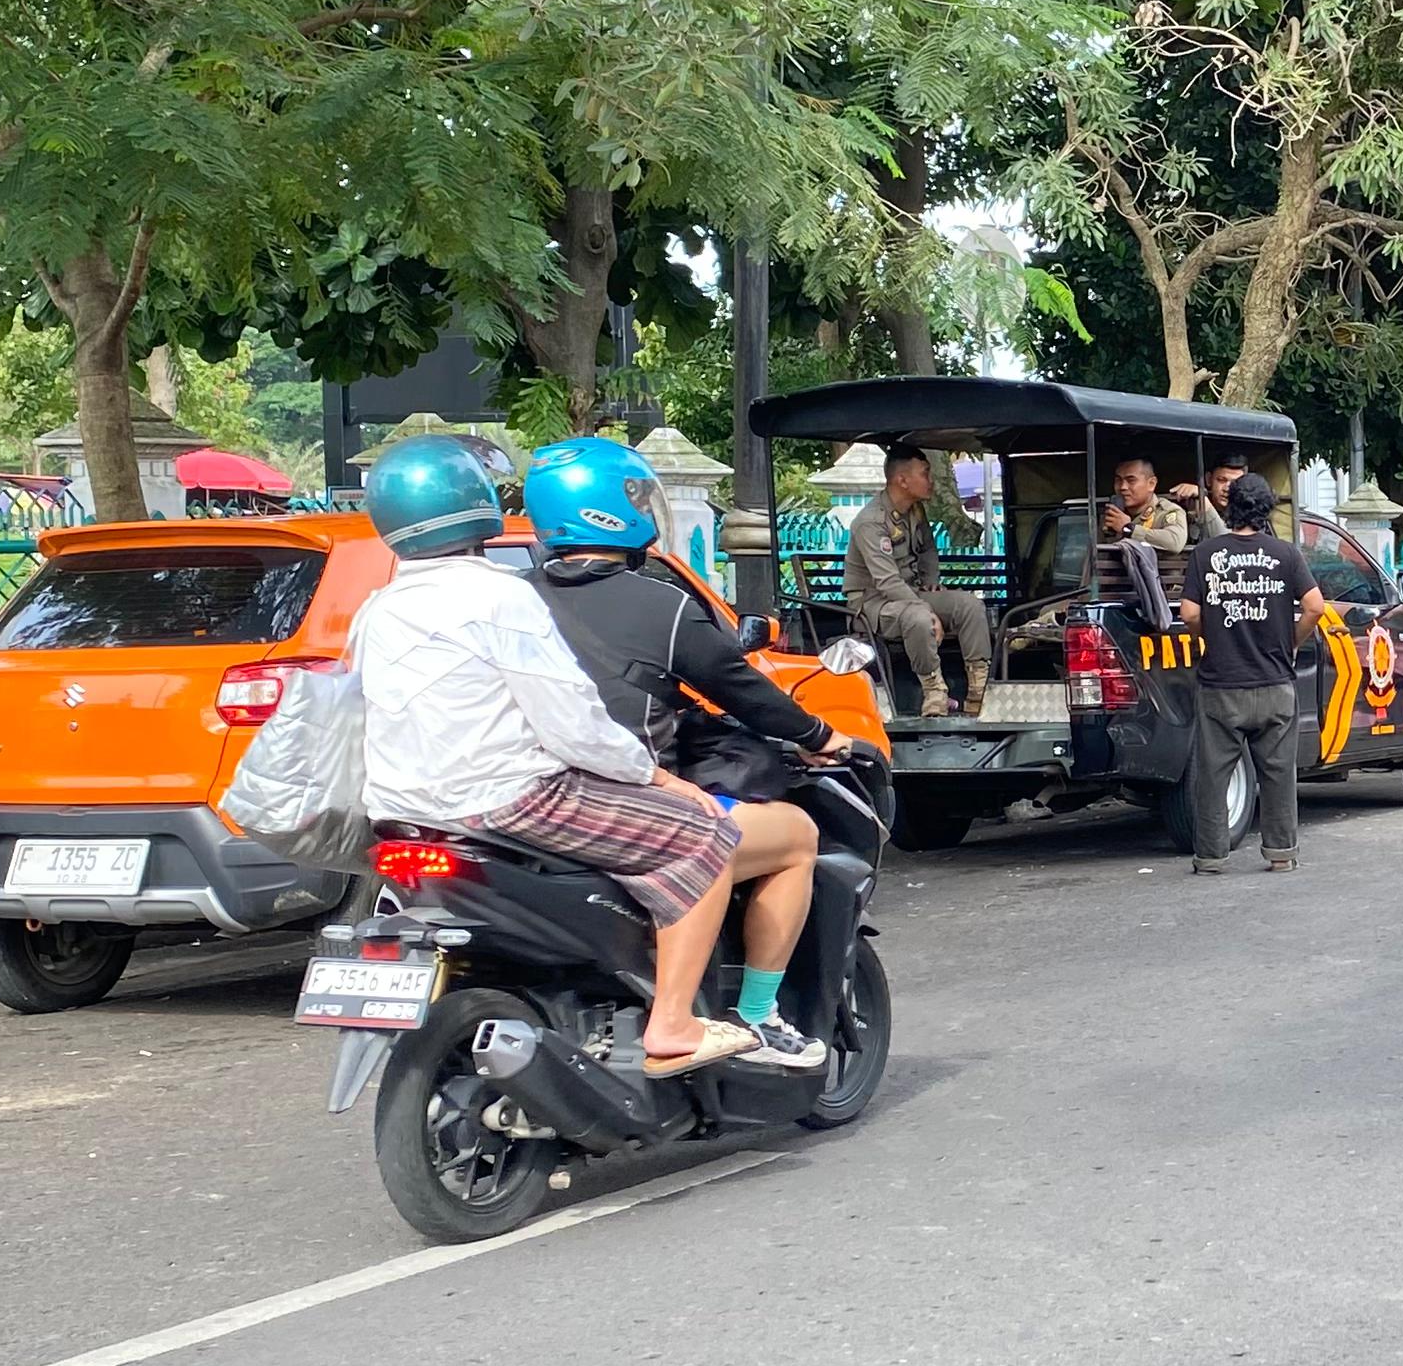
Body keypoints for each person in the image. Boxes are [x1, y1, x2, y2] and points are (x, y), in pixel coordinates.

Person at [347, 436, 765, 1076]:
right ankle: (674, 1023)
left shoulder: (377, 609)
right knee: (707, 836)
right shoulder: (501, 597)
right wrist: (654, 778)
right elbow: (574, 726)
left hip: (404, 811)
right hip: (513, 802)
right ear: (478, 506)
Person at [525, 438, 843, 1070]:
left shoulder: (514, 599)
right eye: (638, 495)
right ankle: (757, 1016)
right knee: (796, 836)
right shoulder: (662, 607)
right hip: (616, 801)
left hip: (513, 799)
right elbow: (744, 689)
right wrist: (818, 736)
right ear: (616, 509)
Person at [1174, 474, 1333, 874]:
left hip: (1221, 686)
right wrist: (1292, 643)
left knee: (1213, 775)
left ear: (1230, 507)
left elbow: (1189, 613)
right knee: (1279, 773)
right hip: (1276, 683)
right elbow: (1315, 606)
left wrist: (1210, 637)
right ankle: (1281, 854)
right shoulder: (1286, 555)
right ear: (1266, 510)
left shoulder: (1206, 553)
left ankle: (1210, 857)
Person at [844, 450, 994, 717]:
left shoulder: (914, 510)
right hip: (874, 604)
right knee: (918, 618)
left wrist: (931, 582)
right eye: (925, 473)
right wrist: (926, 609)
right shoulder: (871, 522)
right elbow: (888, 582)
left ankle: (979, 691)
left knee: (969, 605)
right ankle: (934, 691)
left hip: (910, 594)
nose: (931, 480)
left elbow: (927, 551)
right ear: (902, 480)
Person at [1099, 456, 1194, 600]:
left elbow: (1175, 541)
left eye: (1131, 480)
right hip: (1118, 595)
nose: (1123, 487)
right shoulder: (1113, 515)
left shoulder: (1167, 511)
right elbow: (1097, 557)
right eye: (1118, 480)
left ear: (1151, 484)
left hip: (1162, 597)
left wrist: (1128, 529)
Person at [1177, 451, 1296, 542]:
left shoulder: (1252, 514)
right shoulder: (1192, 508)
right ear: (1209, 479)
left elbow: (1231, 544)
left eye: (1235, 482)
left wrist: (1204, 502)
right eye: (1221, 480)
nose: (1227, 488)